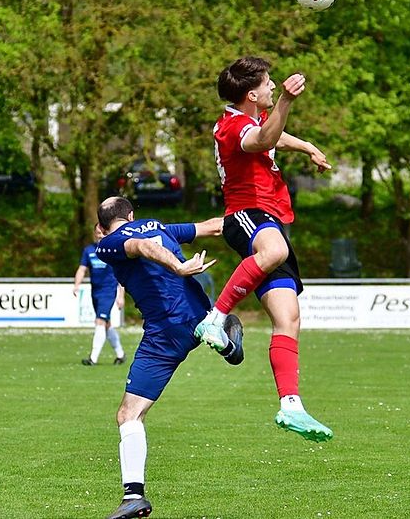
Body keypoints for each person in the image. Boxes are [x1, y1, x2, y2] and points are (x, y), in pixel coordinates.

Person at [194, 56, 334, 443]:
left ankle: (291, 405)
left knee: (288, 318)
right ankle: (215, 317)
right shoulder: (232, 126)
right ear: (251, 95)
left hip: (270, 219)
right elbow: (264, 139)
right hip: (246, 214)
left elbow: (274, 136)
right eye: (269, 85)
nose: (273, 88)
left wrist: (307, 146)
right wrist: (287, 102)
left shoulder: (252, 119)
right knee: (273, 252)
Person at [94, 196, 243, 519]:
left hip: (165, 332)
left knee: (128, 415)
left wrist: (177, 266)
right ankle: (220, 333)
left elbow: (142, 247)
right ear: (131, 213)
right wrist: (259, 218)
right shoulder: (160, 226)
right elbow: (213, 227)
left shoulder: (109, 244)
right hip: (196, 314)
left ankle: (133, 496)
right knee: (131, 413)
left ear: (102, 225)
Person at [73, 225, 126, 365]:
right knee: (107, 324)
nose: (100, 235)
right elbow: (82, 269)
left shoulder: (112, 250)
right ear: (94, 234)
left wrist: (121, 295)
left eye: (103, 233)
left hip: (108, 292)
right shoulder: (89, 250)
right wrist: (76, 285)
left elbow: (120, 275)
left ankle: (93, 358)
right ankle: (120, 355)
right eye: (98, 233)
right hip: (95, 292)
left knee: (99, 321)